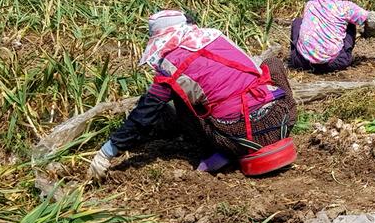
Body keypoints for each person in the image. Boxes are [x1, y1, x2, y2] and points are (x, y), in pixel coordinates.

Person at [88, 10, 297, 180]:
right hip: (280, 121)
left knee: (181, 97)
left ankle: (215, 152)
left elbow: (145, 113)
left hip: (236, 136)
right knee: (272, 64)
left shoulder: (168, 65)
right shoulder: (216, 37)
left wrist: (108, 151)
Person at [289, 0, 375, 73]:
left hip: (301, 62)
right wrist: (368, 32)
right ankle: (338, 57)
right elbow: (372, 19)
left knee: (298, 22)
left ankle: (303, 56)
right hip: (334, 63)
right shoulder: (345, 7)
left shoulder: (310, 4)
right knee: (350, 24)